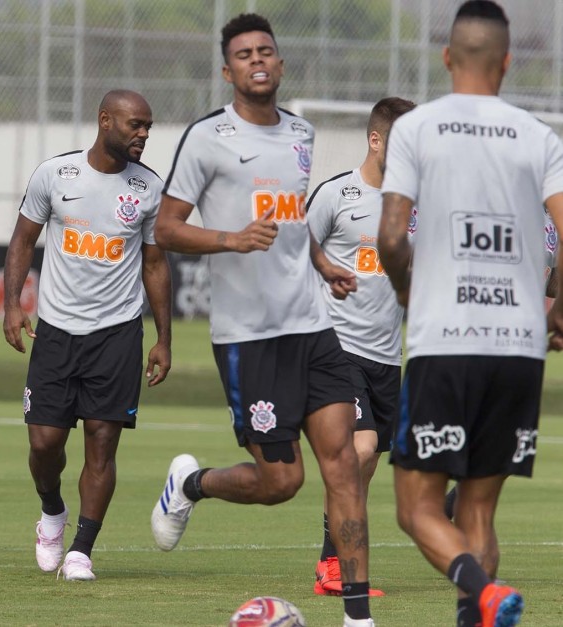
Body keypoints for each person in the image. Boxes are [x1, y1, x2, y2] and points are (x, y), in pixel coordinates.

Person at [148, 13, 375, 627]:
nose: (257, 60)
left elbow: (294, 226)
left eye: (266, 51)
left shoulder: (301, 133)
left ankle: (358, 618)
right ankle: (191, 485)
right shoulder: (206, 137)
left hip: (314, 328)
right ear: (228, 71)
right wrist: (230, 238)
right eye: (244, 53)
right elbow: (165, 227)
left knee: (345, 467)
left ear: (279, 63)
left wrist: (322, 265)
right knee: (282, 482)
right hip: (249, 339)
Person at [378, 2, 563, 626]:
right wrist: (557, 308)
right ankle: (483, 606)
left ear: (447, 57)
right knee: (477, 512)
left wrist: (406, 289)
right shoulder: (539, 135)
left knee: (417, 509)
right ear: (508, 62)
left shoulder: (417, 128)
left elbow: (391, 234)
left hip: (446, 339)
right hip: (518, 346)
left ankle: (484, 593)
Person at [3, 89, 172, 581]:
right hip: (55, 332)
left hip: (117, 335)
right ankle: (52, 512)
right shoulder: (55, 174)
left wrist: (163, 337)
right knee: (44, 444)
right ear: (105, 121)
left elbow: (156, 263)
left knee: (102, 441)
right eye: (135, 125)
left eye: (147, 127)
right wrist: (13, 304)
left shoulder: (149, 188)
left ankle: (81, 549)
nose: (143, 134)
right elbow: (21, 241)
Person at [306, 96, 416, 598]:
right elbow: (294, 249)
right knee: (361, 448)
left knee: (363, 466)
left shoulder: (415, 206)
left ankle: (336, 554)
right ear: (375, 140)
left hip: (387, 356)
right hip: (336, 347)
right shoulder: (336, 194)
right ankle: (333, 566)